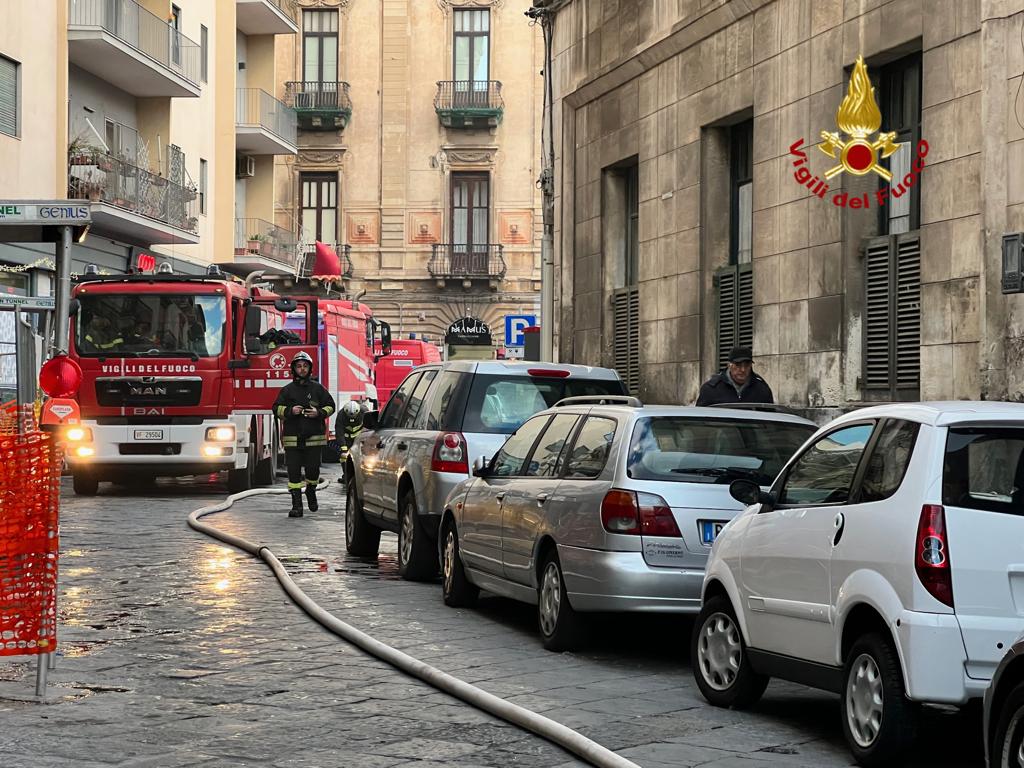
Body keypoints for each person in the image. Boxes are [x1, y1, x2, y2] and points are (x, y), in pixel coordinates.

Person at [273, 351, 336, 517]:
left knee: (312, 471)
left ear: (310, 368)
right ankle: (297, 506)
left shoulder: (318, 389)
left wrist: (319, 413)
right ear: (294, 369)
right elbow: (276, 409)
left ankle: (311, 491)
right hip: (293, 439)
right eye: (299, 366)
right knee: (293, 472)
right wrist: (290, 411)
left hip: (314, 439)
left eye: (305, 366)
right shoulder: (287, 390)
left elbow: (331, 406)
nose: (302, 369)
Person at [695, 345, 774, 407]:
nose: (743, 370)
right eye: (738, 365)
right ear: (729, 365)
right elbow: (699, 418)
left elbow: (770, 417)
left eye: (747, 365)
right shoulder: (711, 389)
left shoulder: (762, 389)